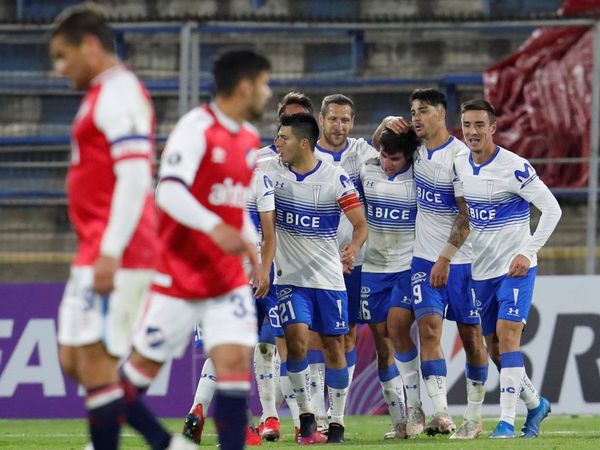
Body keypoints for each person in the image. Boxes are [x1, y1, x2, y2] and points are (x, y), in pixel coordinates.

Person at [121, 49, 272, 450]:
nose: (267, 93)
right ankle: (163, 442)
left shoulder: (249, 139)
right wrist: (214, 226)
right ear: (244, 86)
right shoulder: (195, 128)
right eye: (264, 84)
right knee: (131, 382)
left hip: (227, 278)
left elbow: (233, 203)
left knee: (235, 367)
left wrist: (252, 250)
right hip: (181, 275)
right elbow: (168, 190)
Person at [49, 5, 158, 449]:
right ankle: (166, 443)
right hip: (95, 245)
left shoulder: (120, 94)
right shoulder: (100, 94)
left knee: (94, 364)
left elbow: (134, 177)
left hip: (120, 249)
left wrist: (111, 250)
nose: (59, 69)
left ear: (90, 46)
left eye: (62, 56)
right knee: (74, 359)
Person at [373, 88, 489, 439]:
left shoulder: (459, 157)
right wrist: (384, 125)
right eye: (412, 111)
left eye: (423, 111)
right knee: (427, 331)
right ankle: (439, 412)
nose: (416, 118)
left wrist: (446, 259)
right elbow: (380, 145)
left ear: (442, 114)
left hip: (463, 262)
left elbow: (466, 219)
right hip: (423, 260)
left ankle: (474, 413)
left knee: (472, 338)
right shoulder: (417, 150)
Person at [260, 113, 368, 444]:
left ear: (303, 143)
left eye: (284, 138)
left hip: (328, 279)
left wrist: (353, 245)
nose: (278, 144)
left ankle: (335, 421)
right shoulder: (270, 172)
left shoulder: (334, 177)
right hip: (289, 279)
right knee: (296, 343)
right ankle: (307, 416)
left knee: (336, 347)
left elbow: (361, 223)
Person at [455, 99, 560, 438]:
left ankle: (505, 422)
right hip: (481, 272)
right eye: (468, 125)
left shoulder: (515, 167)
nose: (473, 132)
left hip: (515, 268)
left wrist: (528, 253)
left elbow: (552, 210)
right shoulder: (460, 166)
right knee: (494, 348)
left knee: (508, 335)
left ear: (493, 128)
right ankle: (535, 403)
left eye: (479, 125)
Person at [182, 164, 276, 447]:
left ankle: (199, 407)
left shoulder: (198, 182)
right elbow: (266, 235)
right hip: (239, 279)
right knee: (236, 354)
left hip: (205, 276)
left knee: (223, 353)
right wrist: (262, 269)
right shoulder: (256, 181)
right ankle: (244, 425)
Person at [314, 94, 379, 397]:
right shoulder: (307, 156)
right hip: (316, 261)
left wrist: (387, 125)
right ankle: (310, 410)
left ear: (352, 122)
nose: (339, 126)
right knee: (313, 335)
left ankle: (335, 410)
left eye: (345, 120)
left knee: (349, 334)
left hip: (357, 259)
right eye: (333, 119)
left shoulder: (363, 152)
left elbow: (391, 148)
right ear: (321, 119)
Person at [358, 128, 420, 439]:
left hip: (407, 266)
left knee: (397, 329)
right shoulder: (367, 166)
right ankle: (399, 422)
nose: (387, 163)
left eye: (394, 158)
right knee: (382, 344)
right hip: (373, 268)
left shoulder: (419, 177)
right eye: (384, 155)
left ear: (408, 156)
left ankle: (417, 408)